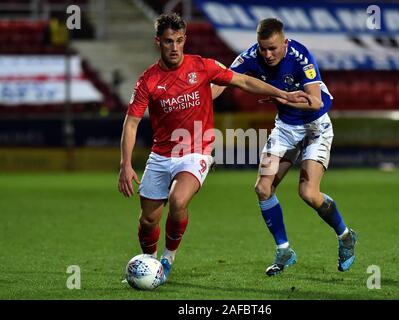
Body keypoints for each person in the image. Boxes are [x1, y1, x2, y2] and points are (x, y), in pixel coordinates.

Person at [117, 13, 313, 285]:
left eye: (179, 41)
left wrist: (283, 94)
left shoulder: (202, 66)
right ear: (158, 42)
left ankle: (167, 259)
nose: (174, 47)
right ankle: (148, 264)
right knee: (148, 220)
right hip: (161, 155)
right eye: (168, 41)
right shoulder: (148, 81)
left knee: (178, 201)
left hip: (196, 150)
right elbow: (131, 122)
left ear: (185, 40)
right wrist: (126, 164)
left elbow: (242, 80)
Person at [212, 18, 357, 276]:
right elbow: (224, 81)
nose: (267, 54)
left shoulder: (301, 56)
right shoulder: (250, 57)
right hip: (285, 130)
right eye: (263, 48)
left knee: (309, 194)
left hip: (316, 128)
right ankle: (284, 251)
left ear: (285, 42)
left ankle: (345, 236)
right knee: (263, 187)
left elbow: (314, 102)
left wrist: (280, 96)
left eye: (273, 48)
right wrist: (198, 99)